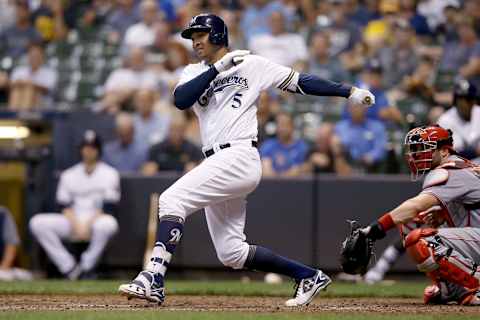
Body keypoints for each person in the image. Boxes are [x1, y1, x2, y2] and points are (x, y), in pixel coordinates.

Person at [119, 13, 374, 307]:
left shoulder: (251, 64)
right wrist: (217, 68)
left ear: (217, 34)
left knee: (171, 200)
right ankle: (308, 276)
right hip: (217, 159)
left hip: (239, 154)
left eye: (201, 34)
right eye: (192, 36)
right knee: (231, 253)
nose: (195, 41)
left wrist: (349, 91)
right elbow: (181, 100)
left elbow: (301, 81)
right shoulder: (192, 72)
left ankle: (154, 278)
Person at [351, 124, 480, 305]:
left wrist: (373, 229)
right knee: (415, 222)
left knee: (421, 241)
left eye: (422, 148)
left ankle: (474, 285)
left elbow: (415, 205)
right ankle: (452, 290)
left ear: (443, 151)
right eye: (414, 149)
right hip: (475, 237)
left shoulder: (449, 171)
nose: (415, 154)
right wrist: (442, 213)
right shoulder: (458, 166)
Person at [29, 130, 120, 280]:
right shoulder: (69, 174)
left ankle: (86, 267)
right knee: (37, 222)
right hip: (73, 220)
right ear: (80, 149)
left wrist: (87, 224)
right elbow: (64, 206)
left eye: (92, 147)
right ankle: (69, 267)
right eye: (85, 147)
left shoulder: (110, 173)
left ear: (98, 150)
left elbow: (108, 207)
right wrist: (77, 224)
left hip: (96, 220)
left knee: (108, 224)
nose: (88, 151)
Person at [437, 79, 480, 160]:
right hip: (457, 165)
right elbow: (451, 152)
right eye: (460, 98)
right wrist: (476, 152)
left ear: (474, 100)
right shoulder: (445, 120)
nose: (464, 103)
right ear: (455, 101)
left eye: (468, 99)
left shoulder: (478, 112)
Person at [260, 112, 309, 177]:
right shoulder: (268, 145)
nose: (282, 128)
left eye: (285, 125)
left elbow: (302, 169)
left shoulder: (301, 147)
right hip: (272, 185)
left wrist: (296, 171)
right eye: (279, 125)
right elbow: (266, 171)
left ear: (292, 126)